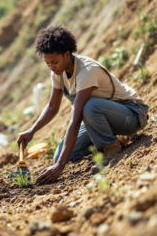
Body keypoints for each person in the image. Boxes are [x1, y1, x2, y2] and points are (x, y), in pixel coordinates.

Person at [17, 25, 149, 184]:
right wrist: (32, 130)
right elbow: (52, 107)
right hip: (103, 116)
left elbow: (75, 118)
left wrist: (59, 167)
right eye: (47, 63)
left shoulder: (86, 71)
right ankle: (112, 140)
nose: (51, 67)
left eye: (55, 62)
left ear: (67, 54)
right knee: (61, 155)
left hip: (131, 115)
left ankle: (111, 147)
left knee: (89, 106)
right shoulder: (58, 74)